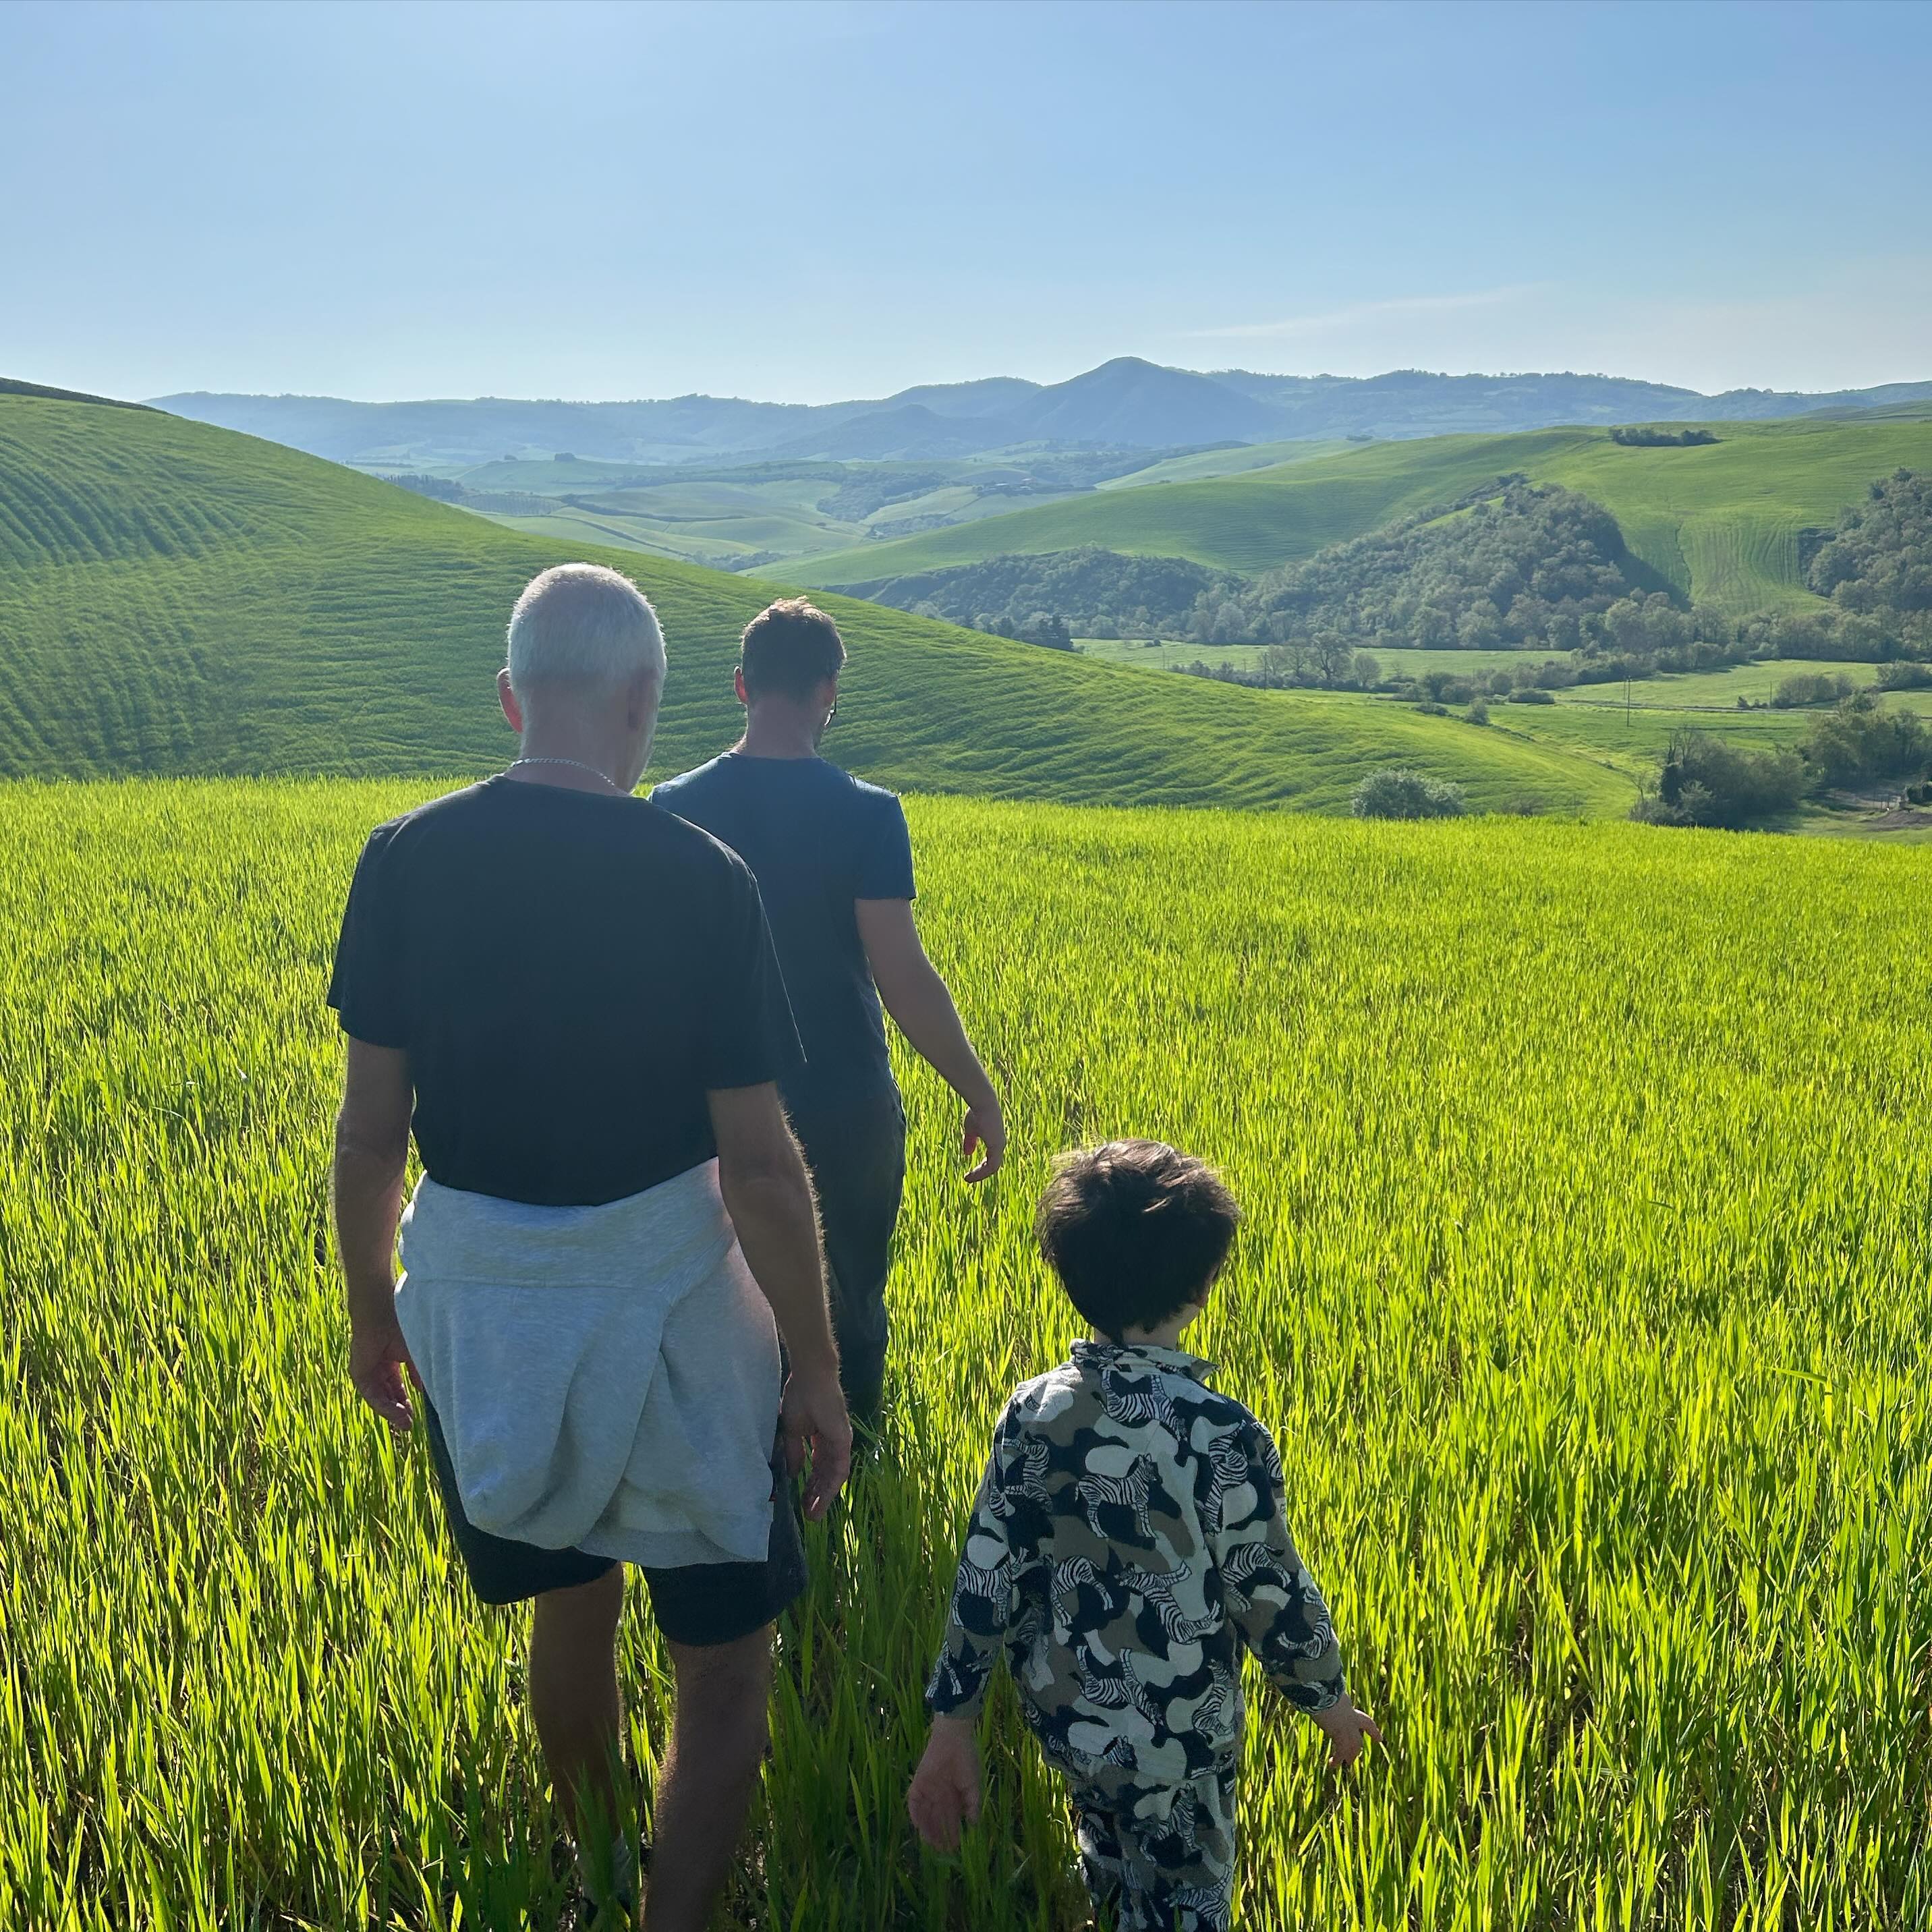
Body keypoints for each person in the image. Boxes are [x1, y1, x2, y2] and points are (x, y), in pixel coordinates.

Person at [328, 562, 852, 1930]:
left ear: (509, 697)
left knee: (570, 1601)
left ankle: (601, 1873)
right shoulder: (700, 877)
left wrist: (372, 1310)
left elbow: (369, 1132)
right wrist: (814, 1365)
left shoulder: (399, 857)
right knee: (725, 1658)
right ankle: (669, 1920)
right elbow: (758, 1167)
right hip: (675, 1315)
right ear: (641, 703)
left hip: (477, 1309)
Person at [906, 1141, 1382, 1932]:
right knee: (1183, 1900)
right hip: (1177, 1741)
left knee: (1108, 1854)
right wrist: (1325, 1697)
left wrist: (952, 1718)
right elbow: (1267, 1585)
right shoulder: (1216, 1429)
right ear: (1201, 1285)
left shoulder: (1033, 1413)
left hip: (1070, 1720)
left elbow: (985, 1573)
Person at [653, 598, 1004, 1430]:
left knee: (714, 1297)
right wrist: (976, 1090)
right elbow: (902, 972)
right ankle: (854, 1470)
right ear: (827, 694)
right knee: (847, 1294)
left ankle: (741, 1478)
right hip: (843, 1099)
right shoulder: (867, 812)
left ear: (740, 685)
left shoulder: (673, 803)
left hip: (703, 1106)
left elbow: (657, 973)